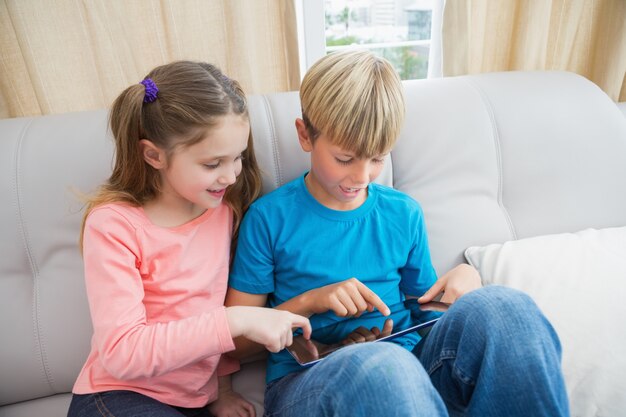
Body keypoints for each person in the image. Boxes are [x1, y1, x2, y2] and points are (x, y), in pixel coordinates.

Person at [226, 50, 569, 417]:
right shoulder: (268, 218)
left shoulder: (402, 213)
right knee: (383, 366)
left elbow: (425, 315)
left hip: (411, 368)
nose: (361, 177)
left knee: (506, 308)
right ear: (305, 135)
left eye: (377, 158)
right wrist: (312, 302)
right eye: (345, 158)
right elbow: (236, 347)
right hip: (309, 380)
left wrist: (464, 286)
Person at [68, 61, 311, 417]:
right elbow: (123, 352)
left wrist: (221, 390)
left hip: (191, 402)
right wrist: (238, 320)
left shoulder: (222, 211)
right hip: (116, 397)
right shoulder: (113, 225)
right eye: (212, 164)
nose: (230, 176)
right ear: (154, 155)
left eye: (237, 158)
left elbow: (204, 307)